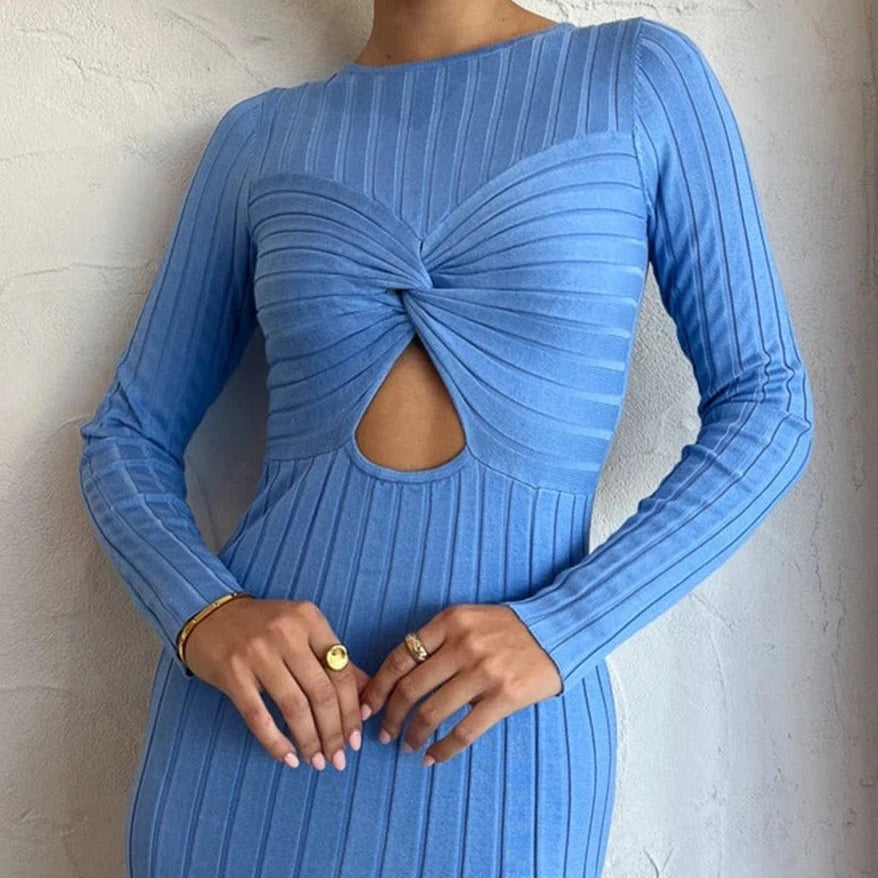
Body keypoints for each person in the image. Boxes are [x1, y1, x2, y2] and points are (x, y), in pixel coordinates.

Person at [78, 3, 814, 875]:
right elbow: (125, 434)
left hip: (501, 754)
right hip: (251, 739)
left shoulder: (640, 78)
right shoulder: (260, 137)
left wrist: (565, 626)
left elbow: (769, 404)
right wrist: (207, 613)